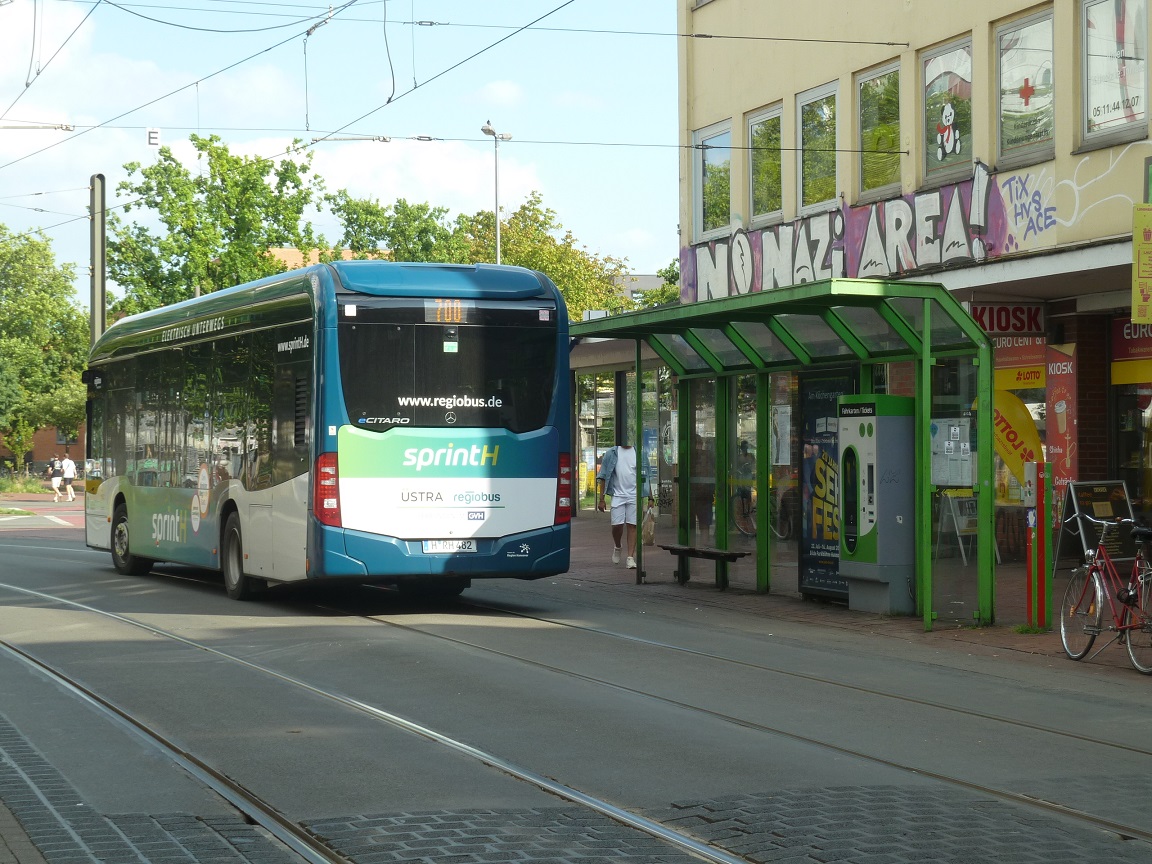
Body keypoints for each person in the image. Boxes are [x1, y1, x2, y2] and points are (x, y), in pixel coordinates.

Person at [595, 439, 653, 575]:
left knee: (632, 525)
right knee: (617, 526)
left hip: (634, 495)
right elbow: (603, 477)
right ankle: (618, 546)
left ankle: (630, 557)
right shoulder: (611, 453)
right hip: (618, 495)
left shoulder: (640, 453)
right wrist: (601, 499)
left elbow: (647, 476)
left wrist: (650, 497)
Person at [689, 434, 715, 536]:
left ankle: (703, 546)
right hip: (702, 495)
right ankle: (704, 545)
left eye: (698, 444)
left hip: (702, 495)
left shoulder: (702, 457)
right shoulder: (707, 456)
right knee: (704, 524)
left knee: (703, 524)